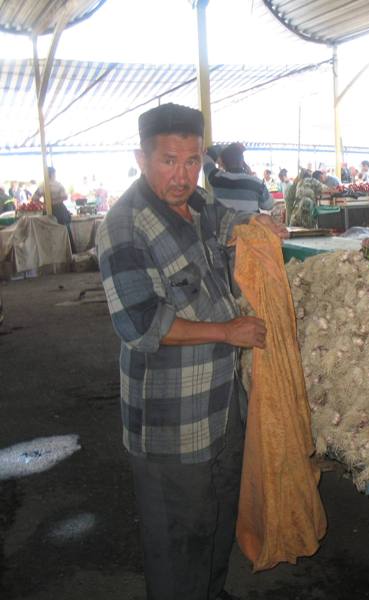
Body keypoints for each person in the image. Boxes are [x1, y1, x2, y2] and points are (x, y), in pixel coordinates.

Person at [96, 103, 287, 600]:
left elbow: (225, 222)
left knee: (216, 520)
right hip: (170, 421)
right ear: (141, 158)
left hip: (221, 410)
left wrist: (258, 225)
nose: (181, 175)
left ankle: (212, 590)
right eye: (168, 161)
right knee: (177, 537)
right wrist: (227, 332)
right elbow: (140, 325)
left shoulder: (199, 203)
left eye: (192, 160)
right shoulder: (123, 226)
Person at [204, 143, 273, 212]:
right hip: (249, 222)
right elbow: (269, 205)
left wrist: (226, 146)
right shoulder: (257, 183)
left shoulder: (216, 178)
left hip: (223, 222)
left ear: (222, 163)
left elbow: (207, 156)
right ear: (242, 161)